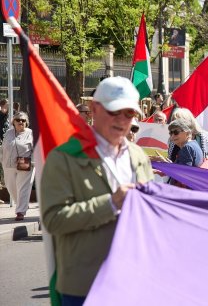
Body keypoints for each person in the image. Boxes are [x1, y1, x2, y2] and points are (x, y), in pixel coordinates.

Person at [40, 76, 154, 303]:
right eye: (114, 112)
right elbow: (53, 220)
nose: (122, 120)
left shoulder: (138, 155)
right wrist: (111, 203)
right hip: (85, 286)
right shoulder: (64, 158)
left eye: (129, 114)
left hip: (134, 282)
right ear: (94, 109)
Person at [2, 112, 34, 221]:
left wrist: (32, 162)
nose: (21, 122)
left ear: (26, 122)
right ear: (13, 122)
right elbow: (3, 148)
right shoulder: (8, 133)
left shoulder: (31, 133)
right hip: (8, 165)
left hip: (24, 165)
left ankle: (20, 211)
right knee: (11, 188)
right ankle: (22, 203)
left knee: (23, 188)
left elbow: (36, 150)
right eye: (18, 120)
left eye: (23, 120)